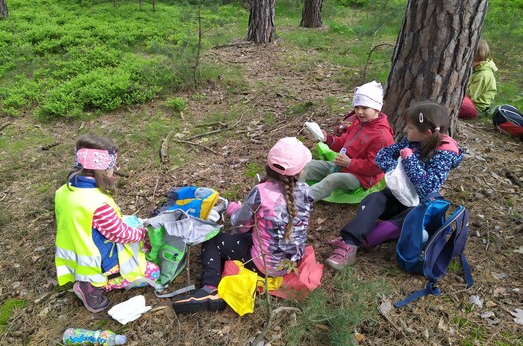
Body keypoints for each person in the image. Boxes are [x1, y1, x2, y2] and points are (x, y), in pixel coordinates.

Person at [172, 137, 314, 314]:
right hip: (291, 261)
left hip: (265, 265)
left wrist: (233, 208)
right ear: (300, 172)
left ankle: (209, 288)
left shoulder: (260, 192)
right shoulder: (307, 191)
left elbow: (239, 224)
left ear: (267, 167)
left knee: (214, 240)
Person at [325, 101, 464, 270]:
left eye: (410, 127)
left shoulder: (445, 153)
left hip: (418, 204)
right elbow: (382, 156)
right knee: (375, 199)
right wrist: (397, 167)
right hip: (398, 193)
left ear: (427, 132)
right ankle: (349, 243)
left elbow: (428, 186)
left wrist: (408, 160)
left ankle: (367, 239)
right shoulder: (411, 141)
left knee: (410, 217)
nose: (406, 130)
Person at [54, 134, 160, 313]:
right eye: (112, 168)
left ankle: (88, 280)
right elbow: (120, 234)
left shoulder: (63, 191)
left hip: (74, 253)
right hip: (97, 260)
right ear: (102, 171)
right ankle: (95, 286)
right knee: (153, 272)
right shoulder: (97, 203)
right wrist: (142, 234)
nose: (114, 172)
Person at [300, 81, 394, 201]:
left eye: (364, 107)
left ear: (376, 108)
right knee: (309, 165)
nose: (359, 111)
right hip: (342, 165)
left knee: (332, 180)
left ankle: (302, 200)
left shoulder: (381, 136)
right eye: (356, 107)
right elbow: (344, 142)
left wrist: (349, 163)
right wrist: (328, 139)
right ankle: (292, 189)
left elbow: (375, 167)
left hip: (360, 177)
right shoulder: (358, 122)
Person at [459, 39, 498, 119]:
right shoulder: (477, 69)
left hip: (476, 108)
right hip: (469, 103)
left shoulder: (483, 75)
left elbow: (469, 96)